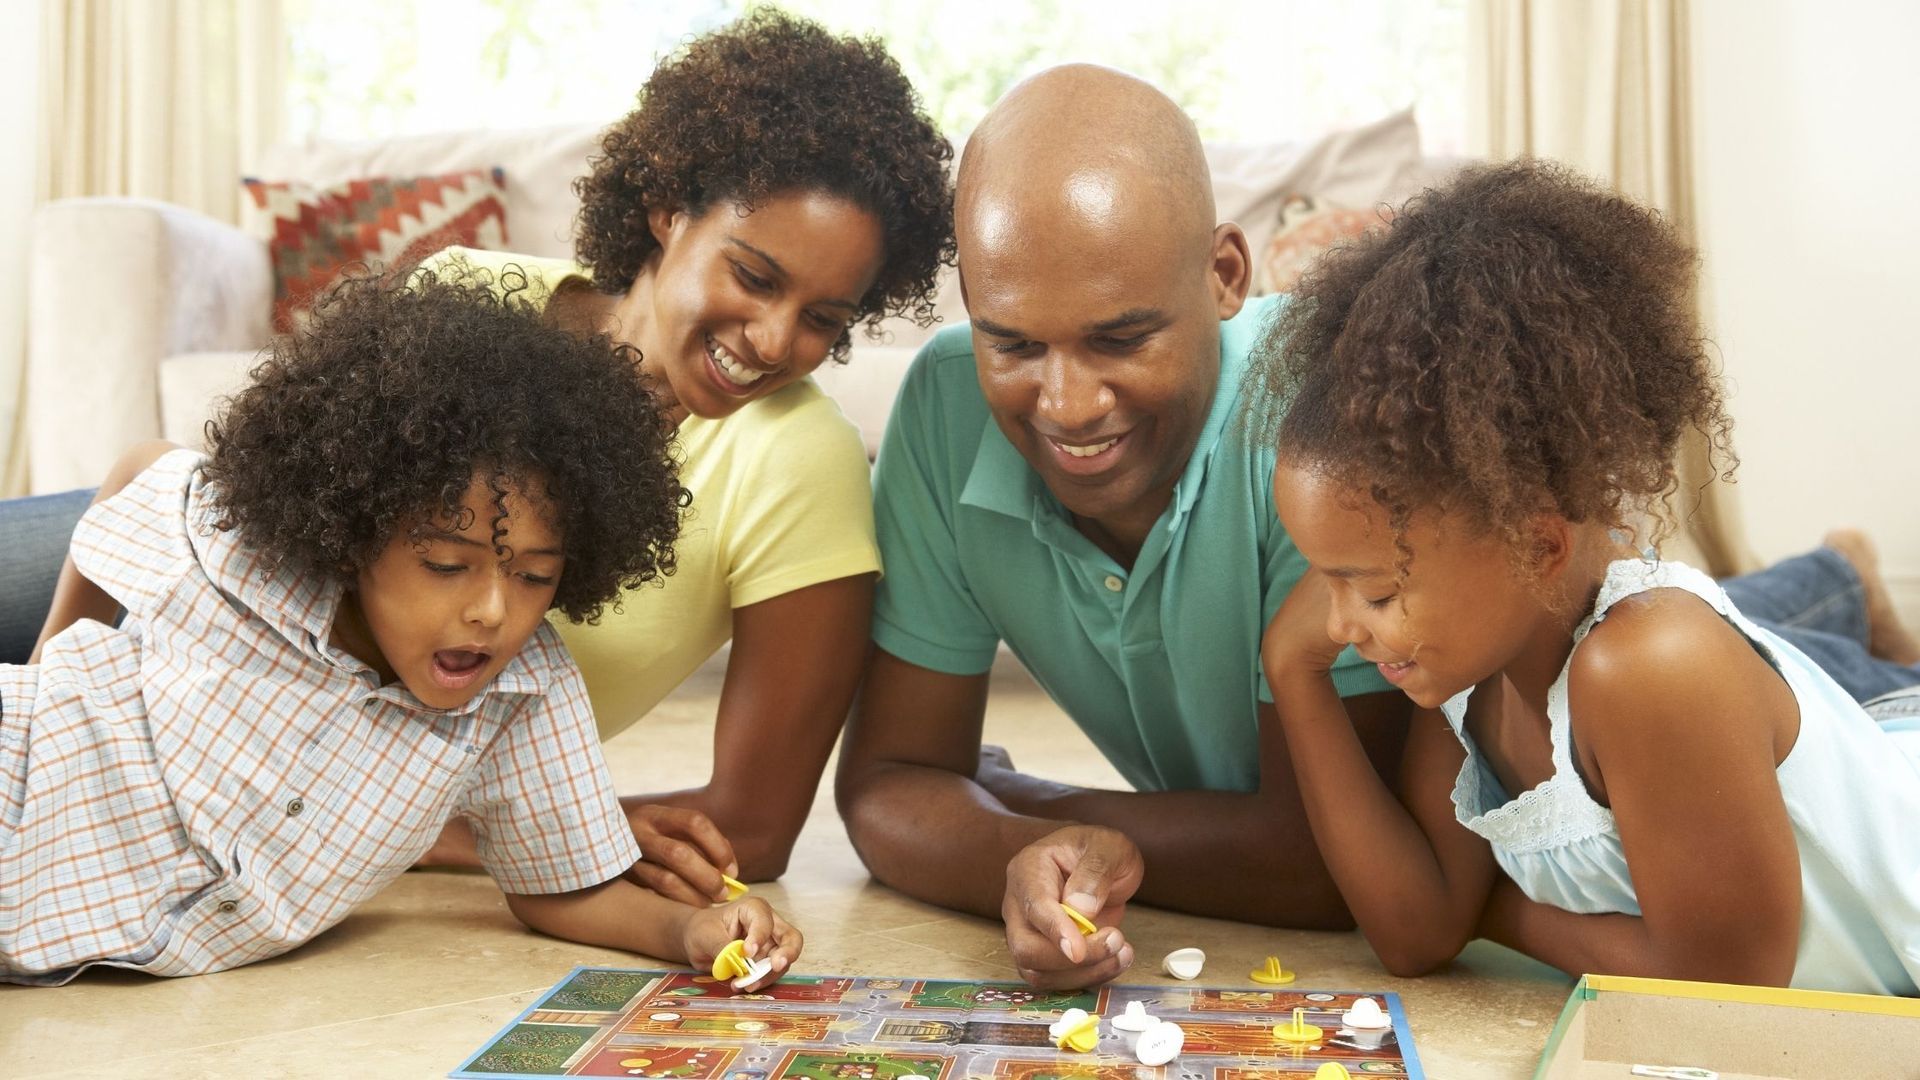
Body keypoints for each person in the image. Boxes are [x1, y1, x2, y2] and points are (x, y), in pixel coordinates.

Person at [1, 273, 802, 985]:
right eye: (447, 566)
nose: (492, 610)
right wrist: (47, 663)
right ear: (355, 535)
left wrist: (687, 930)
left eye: (533, 575)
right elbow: (144, 469)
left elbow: (564, 886)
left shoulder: (524, 697)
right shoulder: (243, 553)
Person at [1253, 159, 1920, 994]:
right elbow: (1416, 932)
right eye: (1327, 582)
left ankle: (1847, 587)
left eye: (1377, 591)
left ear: (1538, 549)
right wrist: (1291, 669)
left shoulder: (1652, 668)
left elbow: (1726, 994)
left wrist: (1494, 907)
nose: (1342, 623)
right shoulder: (1467, 677)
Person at [834, 64, 1409, 992]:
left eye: (1120, 338)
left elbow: (1327, 862)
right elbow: (886, 787)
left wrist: (1021, 800)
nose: (1065, 406)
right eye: (1012, 342)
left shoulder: (1320, 418)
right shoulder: (944, 404)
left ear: (1225, 276)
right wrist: (1022, 856)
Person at [404, 9, 955, 904]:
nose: (776, 342)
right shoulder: (462, 298)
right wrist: (560, 831)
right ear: (668, 209)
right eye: (755, 276)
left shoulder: (798, 459)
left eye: (824, 319)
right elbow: (219, 555)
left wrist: (447, 831)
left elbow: (754, 827)